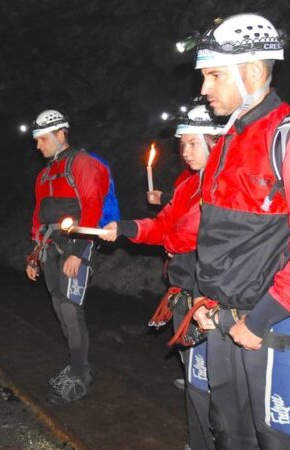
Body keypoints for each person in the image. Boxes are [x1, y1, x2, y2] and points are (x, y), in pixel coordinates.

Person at [187, 13, 290, 449]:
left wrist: (260, 320)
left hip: (273, 320)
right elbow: (215, 239)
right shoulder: (226, 144)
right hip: (220, 317)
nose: (203, 88)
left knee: (275, 440)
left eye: (214, 75)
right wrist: (203, 298)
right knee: (229, 433)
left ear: (253, 71)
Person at [101, 103, 223, 450]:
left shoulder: (226, 185)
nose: (185, 152)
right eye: (182, 145)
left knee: (215, 383)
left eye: (193, 143)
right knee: (197, 379)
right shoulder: (189, 186)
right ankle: (200, 442)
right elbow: (164, 224)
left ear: (215, 141)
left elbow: (186, 234)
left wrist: (169, 240)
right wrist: (125, 227)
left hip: (212, 297)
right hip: (185, 290)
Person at [25, 109, 109, 404]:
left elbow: (92, 207)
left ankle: (80, 374)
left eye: (43, 139)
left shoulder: (82, 164)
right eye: (36, 140)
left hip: (76, 246)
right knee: (60, 308)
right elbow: (38, 217)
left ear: (62, 134)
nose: (38, 146)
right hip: (50, 247)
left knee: (72, 310)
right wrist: (33, 255)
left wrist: (79, 252)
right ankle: (75, 364)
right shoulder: (44, 174)